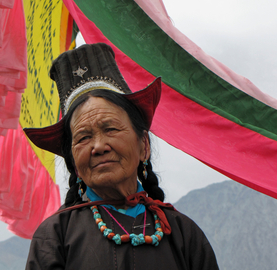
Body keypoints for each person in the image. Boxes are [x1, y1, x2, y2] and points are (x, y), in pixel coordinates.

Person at [24, 43, 219, 270]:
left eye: (111, 129)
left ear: (143, 145)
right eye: (84, 137)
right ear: (74, 164)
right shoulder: (53, 238)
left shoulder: (184, 235)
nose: (98, 146)